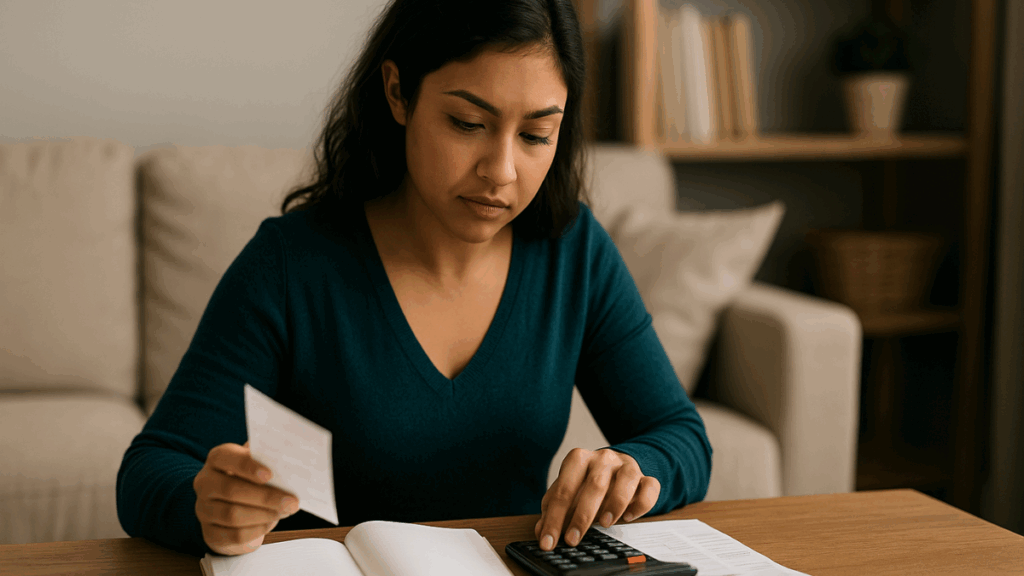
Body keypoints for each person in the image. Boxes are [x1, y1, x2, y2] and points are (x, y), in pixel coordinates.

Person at [116, 0, 712, 558]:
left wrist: (634, 466)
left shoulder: (573, 251)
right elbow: (152, 468)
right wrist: (206, 504)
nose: (501, 170)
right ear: (398, 93)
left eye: (536, 135)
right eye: (467, 122)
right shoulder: (292, 263)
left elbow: (679, 435)